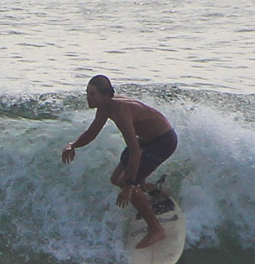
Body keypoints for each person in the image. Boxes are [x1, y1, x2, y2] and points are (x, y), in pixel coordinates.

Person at [60, 75, 178, 248]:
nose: (87, 97)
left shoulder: (120, 111)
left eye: (91, 94)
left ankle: (156, 229)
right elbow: (92, 133)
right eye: (87, 93)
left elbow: (135, 152)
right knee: (116, 179)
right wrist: (73, 145)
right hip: (147, 139)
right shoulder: (105, 106)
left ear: (105, 95)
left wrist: (130, 185)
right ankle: (156, 193)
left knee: (126, 183)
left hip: (163, 141)